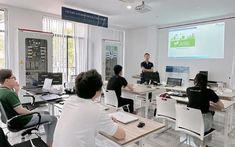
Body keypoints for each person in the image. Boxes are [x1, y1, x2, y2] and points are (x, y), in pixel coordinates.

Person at [53, 69, 125, 147]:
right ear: (97, 91)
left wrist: (105, 119)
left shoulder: (69, 101)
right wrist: (110, 123)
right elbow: (121, 135)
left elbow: (82, 119)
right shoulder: (96, 110)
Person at [0, 69, 57, 147]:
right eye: (13, 78)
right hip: (22, 120)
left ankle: (47, 135)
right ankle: (50, 144)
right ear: (6, 81)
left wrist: (16, 91)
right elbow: (20, 110)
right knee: (54, 119)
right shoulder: (9, 94)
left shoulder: (2, 91)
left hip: (13, 120)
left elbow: (14, 105)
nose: (15, 79)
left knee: (46, 113)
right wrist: (33, 114)